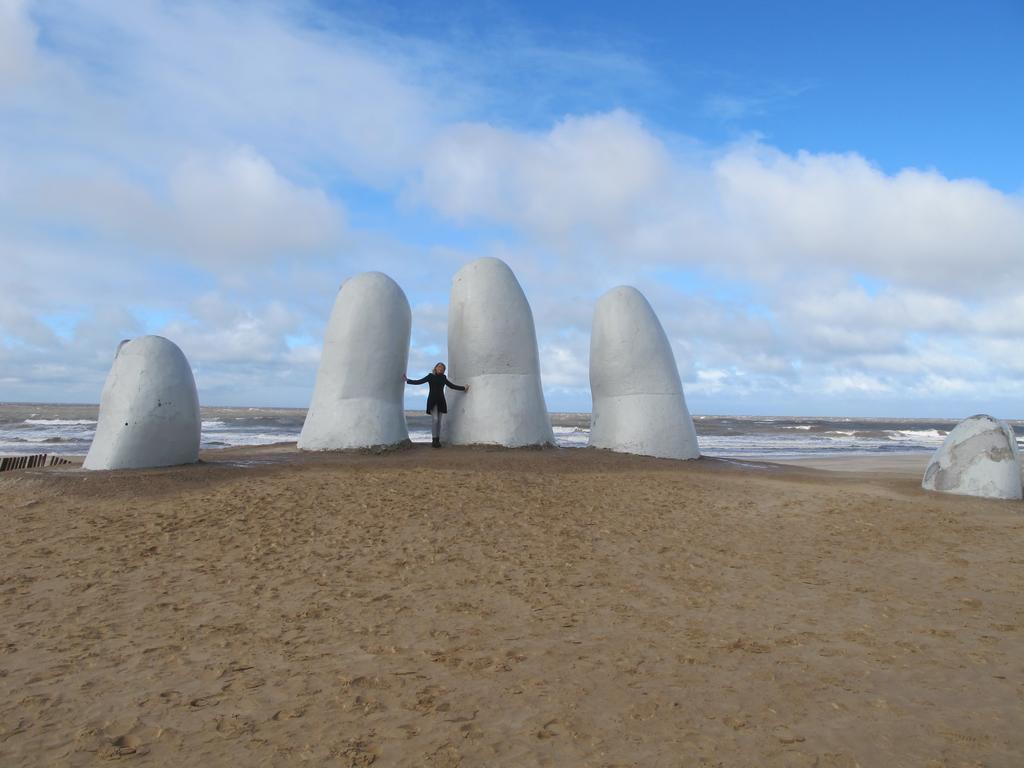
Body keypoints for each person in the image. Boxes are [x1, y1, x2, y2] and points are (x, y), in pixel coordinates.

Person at [404, 363, 469, 447]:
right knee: (435, 420)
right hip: (432, 401)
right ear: (435, 368)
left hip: (441, 401)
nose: (440, 368)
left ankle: (437, 441)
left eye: (442, 368)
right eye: (439, 367)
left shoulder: (443, 378)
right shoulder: (430, 376)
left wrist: (463, 388)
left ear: (444, 370)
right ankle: (434, 440)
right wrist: (408, 380)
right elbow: (419, 381)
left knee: (439, 422)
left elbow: (451, 386)